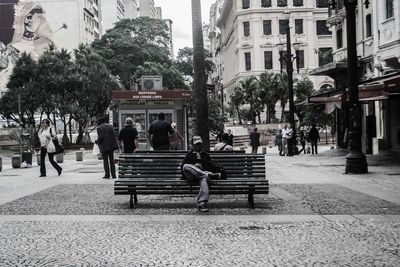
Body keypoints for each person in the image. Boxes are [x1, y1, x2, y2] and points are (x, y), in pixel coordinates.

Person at [181, 136, 226, 212]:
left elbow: (211, 167)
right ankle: (206, 174)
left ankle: (202, 203)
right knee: (186, 166)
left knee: (204, 179)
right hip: (191, 176)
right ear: (192, 144)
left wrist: (202, 167)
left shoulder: (205, 154)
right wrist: (194, 167)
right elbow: (183, 168)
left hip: (201, 176)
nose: (198, 146)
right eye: (196, 144)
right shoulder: (189, 154)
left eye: (199, 144)